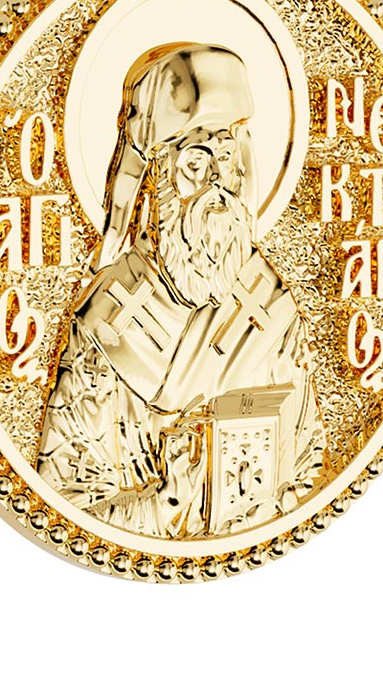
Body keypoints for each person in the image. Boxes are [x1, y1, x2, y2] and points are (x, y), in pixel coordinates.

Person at [36, 43, 325, 538]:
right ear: (159, 178)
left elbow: (311, 467)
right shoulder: (108, 321)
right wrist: (170, 502)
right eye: (196, 160)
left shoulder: (270, 306)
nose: (217, 180)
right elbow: (65, 506)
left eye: (226, 157)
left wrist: (252, 506)